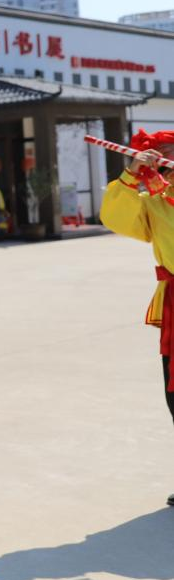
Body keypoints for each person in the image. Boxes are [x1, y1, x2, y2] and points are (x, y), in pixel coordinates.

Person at [99, 129, 174, 507]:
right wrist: (130, 175)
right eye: (154, 156)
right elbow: (115, 217)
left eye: (165, 153)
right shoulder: (155, 202)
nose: (160, 161)